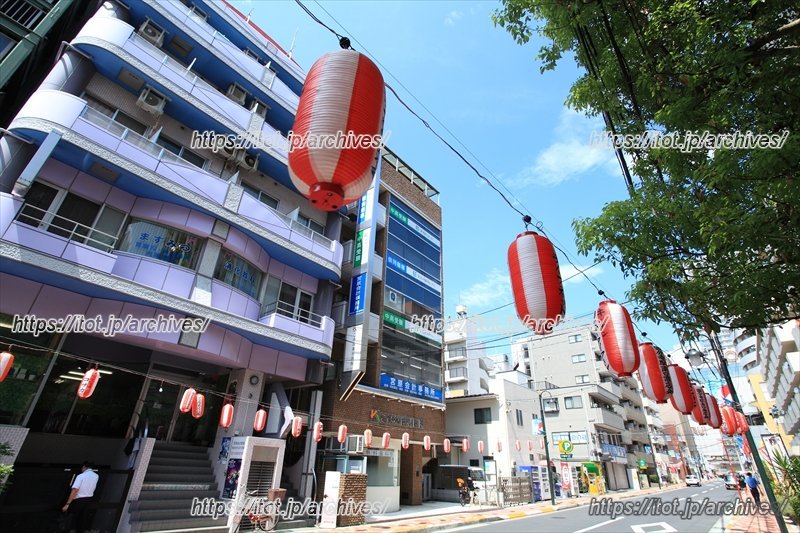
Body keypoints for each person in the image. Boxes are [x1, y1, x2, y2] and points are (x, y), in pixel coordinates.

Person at [62, 461, 99, 533]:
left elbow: (75, 489)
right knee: (82, 520)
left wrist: (67, 504)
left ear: (84, 467)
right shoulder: (96, 476)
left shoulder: (81, 476)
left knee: (70, 518)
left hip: (78, 500)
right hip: (88, 499)